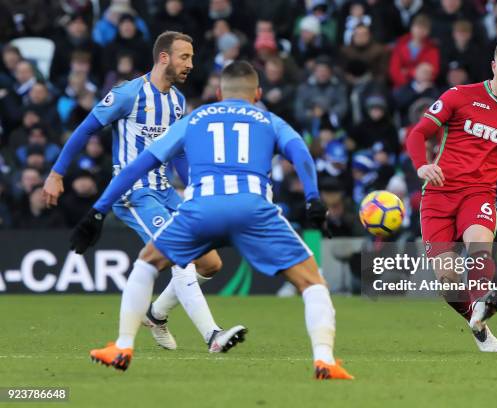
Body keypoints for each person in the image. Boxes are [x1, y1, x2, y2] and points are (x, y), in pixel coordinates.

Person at [70, 61, 354, 380]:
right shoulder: (268, 119)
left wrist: (98, 210)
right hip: (254, 209)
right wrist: (313, 198)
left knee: (147, 263)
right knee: (312, 283)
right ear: (258, 93)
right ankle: (324, 360)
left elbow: (139, 165)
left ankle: (122, 347)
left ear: (218, 93)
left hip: (201, 209)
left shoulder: (194, 119)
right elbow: (300, 152)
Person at [42, 31, 244, 353]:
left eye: (191, 58)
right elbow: (85, 130)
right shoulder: (127, 94)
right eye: (184, 57)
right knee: (181, 257)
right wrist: (56, 173)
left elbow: (177, 153)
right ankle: (213, 335)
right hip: (135, 193)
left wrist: (197, 185)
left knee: (211, 263)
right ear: (163, 57)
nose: (190, 64)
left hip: (165, 192)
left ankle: (156, 314)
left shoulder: (177, 102)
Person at [406, 38, 497, 352]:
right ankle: (478, 323)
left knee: (478, 249)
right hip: (437, 195)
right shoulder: (459, 96)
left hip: (479, 194)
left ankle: (481, 304)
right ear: (494, 67)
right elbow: (419, 132)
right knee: (447, 281)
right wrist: (421, 166)